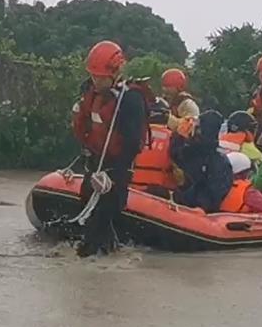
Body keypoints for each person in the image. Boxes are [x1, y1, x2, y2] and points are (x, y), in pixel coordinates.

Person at [71, 40, 150, 257]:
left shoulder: (130, 100)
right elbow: (85, 128)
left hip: (117, 170)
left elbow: (133, 143)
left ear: (115, 72)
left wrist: (115, 176)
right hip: (95, 165)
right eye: (93, 75)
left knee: (102, 218)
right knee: (86, 210)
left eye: (100, 77)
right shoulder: (91, 93)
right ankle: (102, 252)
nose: (95, 80)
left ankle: (96, 259)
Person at [169, 110, 233, 212]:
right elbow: (175, 155)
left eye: (197, 126)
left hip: (197, 210)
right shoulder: (191, 150)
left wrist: (202, 207)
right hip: (179, 202)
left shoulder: (218, 161)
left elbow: (212, 192)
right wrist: (180, 136)